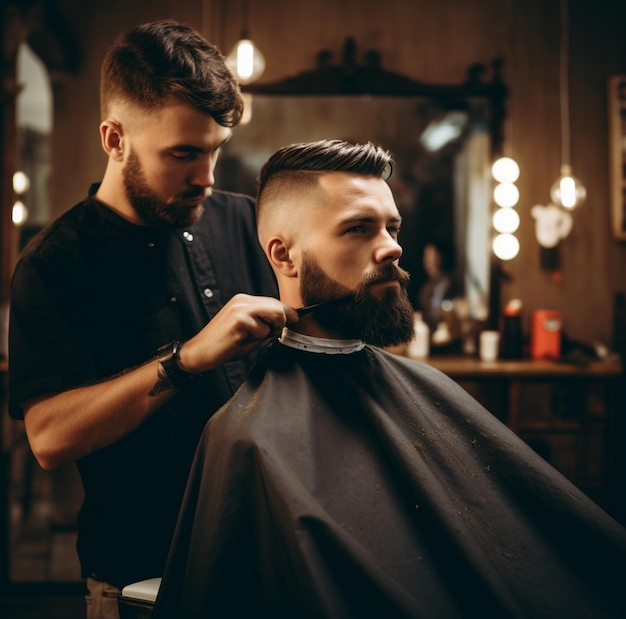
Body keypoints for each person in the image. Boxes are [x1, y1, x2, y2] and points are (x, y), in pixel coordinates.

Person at [153, 140, 626, 618]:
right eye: (358, 228)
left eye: (392, 227)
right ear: (285, 256)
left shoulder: (428, 388)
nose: (393, 246)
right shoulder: (246, 438)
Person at [8, 20, 293, 618]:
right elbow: (50, 439)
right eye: (183, 153)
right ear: (115, 139)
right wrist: (187, 358)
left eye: (215, 149)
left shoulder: (246, 220)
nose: (207, 176)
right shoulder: (55, 264)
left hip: (266, 562)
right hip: (140, 581)